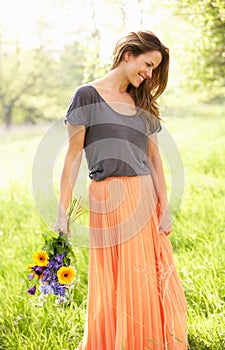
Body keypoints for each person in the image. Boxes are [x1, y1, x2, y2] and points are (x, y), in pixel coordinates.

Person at [54, 30, 188, 350]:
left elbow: (154, 158)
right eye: (148, 64)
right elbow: (73, 157)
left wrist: (164, 205)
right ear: (129, 54)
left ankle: (145, 341)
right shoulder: (86, 95)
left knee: (143, 278)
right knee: (114, 281)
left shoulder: (142, 101)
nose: (150, 73)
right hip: (107, 197)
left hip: (144, 198)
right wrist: (63, 212)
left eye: (155, 69)